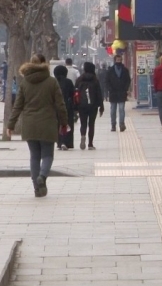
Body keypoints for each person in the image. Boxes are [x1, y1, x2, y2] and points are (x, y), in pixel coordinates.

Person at [7, 54, 68, 198]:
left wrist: (11, 124)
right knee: (47, 155)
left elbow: (17, 106)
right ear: (44, 64)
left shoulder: (25, 83)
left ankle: (37, 188)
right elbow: (60, 104)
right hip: (47, 124)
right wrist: (64, 122)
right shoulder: (52, 82)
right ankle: (42, 176)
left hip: (30, 125)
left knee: (34, 156)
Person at [75, 62, 104, 150]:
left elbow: (75, 93)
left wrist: (76, 105)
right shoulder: (95, 80)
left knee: (83, 123)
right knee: (91, 124)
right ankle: (90, 144)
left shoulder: (79, 79)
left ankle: (83, 135)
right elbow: (99, 93)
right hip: (93, 105)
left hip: (82, 105)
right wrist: (101, 106)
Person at [106, 54, 131, 132]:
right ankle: (113, 125)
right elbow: (107, 81)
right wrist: (110, 89)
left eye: (120, 60)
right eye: (117, 60)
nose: (119, 61)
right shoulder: (110, 70)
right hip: (113, 93)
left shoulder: (125, 70)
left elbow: (128, 80)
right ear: (115, 60)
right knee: (113, 110)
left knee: (121, 109)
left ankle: (121, 124)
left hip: (122, 92)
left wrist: (126, 88)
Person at [53, 65, 75, 150]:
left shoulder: (53, 82)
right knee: (67, 123)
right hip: (67, 106)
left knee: (57, 124)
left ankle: (59, 142)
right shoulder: (68, 82)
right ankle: (66, 141)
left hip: (55, 106)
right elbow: (72, 94)